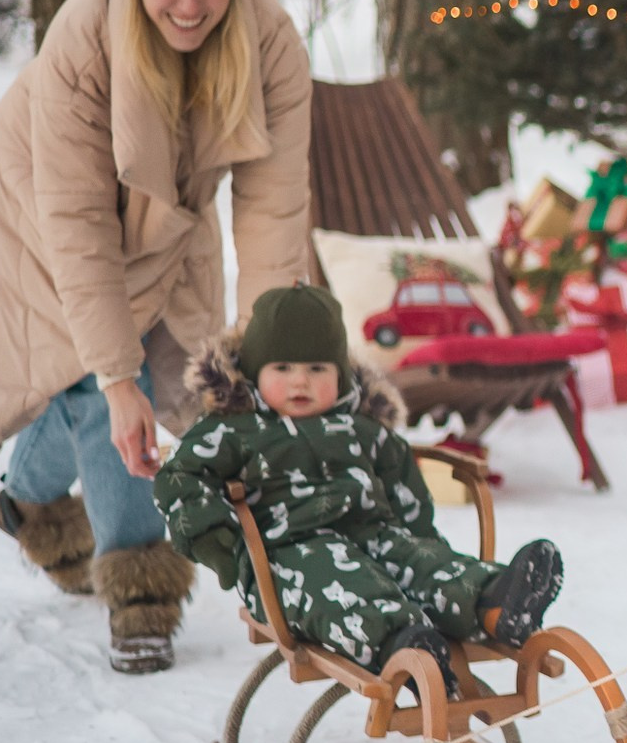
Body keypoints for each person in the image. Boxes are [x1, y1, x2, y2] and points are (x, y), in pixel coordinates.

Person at [0, 0, 315, 672]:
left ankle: (26, 505)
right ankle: (142, 591)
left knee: (157, 372)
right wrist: (117, 379)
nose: (188, 4)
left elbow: (273, 214)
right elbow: (75, 225)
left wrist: (265, 362)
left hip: (163, 227)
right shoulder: (83, 42)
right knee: (97, 382)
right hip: (35, 208)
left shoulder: (268, 48)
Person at [151, 284, 565, 685]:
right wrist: (229, 552)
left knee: (421, 563)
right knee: (337, 583)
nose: (300, 382)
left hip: (375, 535)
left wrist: (423, 545)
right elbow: (180, 478)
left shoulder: (362, 427)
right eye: (282, 369)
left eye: (317, 369)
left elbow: (403, 486)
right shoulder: (234, 430)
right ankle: (400, 641)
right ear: (254, 373)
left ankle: (493, 602)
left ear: (341, 373)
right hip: (289, 555)